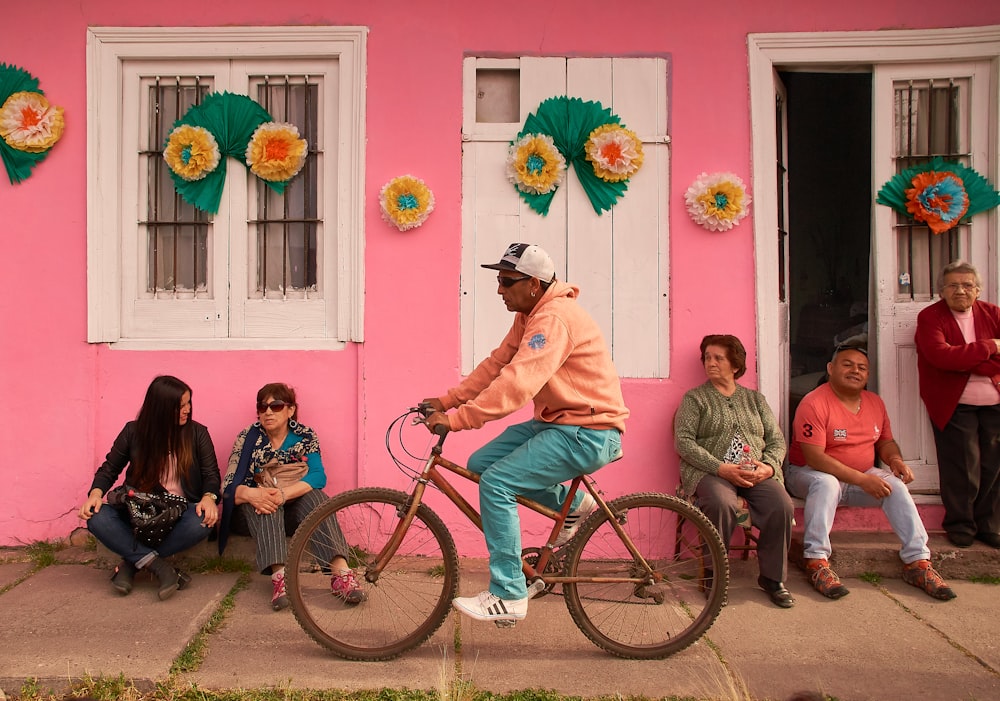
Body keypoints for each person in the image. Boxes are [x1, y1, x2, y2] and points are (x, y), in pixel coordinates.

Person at [422, 242, 628, 624]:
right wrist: (447, 400)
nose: (499, 289)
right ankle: (569, 508)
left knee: (496, 483)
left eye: (506, 281)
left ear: (533, 284)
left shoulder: (553, 320)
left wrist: (458, 419)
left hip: (588, 431)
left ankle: (509, 594)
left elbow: (517, 384)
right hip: (561, 422)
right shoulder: (529, 314)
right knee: (480, 463)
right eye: (498, 280)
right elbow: (498, 364)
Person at [785, 345, 956, 601]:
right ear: (830, 369)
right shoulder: (815, 402)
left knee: (896, 488)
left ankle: (917, 562)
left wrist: (895, 460)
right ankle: (816, 560)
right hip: (807, 474)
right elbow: (815, 457)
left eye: (862, 367)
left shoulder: (874, 402)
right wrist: (864, 480)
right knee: (828, 484)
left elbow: (885, 442)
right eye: (847, 364)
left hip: (859, 476)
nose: (855, 370)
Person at [674, 334, 795, 608]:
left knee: (782, 506)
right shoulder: (695, 399)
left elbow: (776, 440)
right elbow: (683, 442)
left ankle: (773, 579)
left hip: (756, 473)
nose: (711, 363)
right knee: (721, 503)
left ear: (735, 364)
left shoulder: (755, 400)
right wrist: (721, 468)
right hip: (712, 473)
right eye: (707, 357)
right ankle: (715, 578)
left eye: (719, 358)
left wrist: (768, 467)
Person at [220, 382, 363, 611]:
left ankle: (341, 574)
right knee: (266, 502)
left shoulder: (304, 436)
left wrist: (284, 494)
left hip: (293, 511)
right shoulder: (248, 438)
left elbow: (318, 476)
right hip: (251, 513)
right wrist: (253, 494)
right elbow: (228, 488)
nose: (268, 411)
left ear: (290, 410)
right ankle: (280, 579)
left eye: (276, 406)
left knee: (318, 499)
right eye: (262, 406)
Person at [78, 375, 220, 601]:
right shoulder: (133, 432)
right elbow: (109, 469)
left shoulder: (197, 433)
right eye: (180, 406)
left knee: (202, 521)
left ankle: (130, 566)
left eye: (189, 403)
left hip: (177, 514)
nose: (187, 410)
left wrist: (209, 498)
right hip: (138, 511)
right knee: (96, 517)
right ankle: (161, 568)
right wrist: (95, 495)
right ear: (161, 408)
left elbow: (211, 476)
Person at [914, 261, 1000, 549]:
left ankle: (988, 524)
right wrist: (989, 347)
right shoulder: (931, 317)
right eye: (952, 285)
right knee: (963, 467)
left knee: (994, 465)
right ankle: (961, 523)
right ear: (941, 290)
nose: (960, 290)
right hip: (954, 403)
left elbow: (956, 359)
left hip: (995, 402)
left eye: (966, 285)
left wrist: (964, 360)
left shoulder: (993, 313)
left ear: (977, 289)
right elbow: (941, 357)